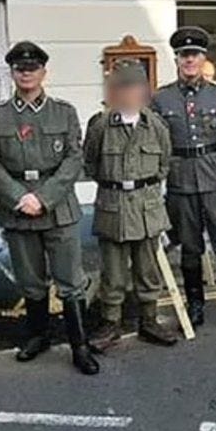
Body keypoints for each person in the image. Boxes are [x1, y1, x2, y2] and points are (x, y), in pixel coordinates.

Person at [0, 41, 99, 375]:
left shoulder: (63, 111)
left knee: (70, 280)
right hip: (16, 206)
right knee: (30, 279)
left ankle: (79, 346)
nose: (26, 73)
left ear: (43, 73)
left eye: (32, 68)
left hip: (57, 207)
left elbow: (74, 158)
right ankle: (38, 336)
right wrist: (19, 197)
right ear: (13, 73)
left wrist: (43, 198)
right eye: (20, 69)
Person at [152, 27, 216, 340]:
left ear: (203, 58)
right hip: (180, 183)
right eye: (183, 55)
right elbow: (156, 146)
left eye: (194, 55)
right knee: (190, 248)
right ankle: (196, 305)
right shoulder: (161, 98)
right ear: (177, 59)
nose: (189, 60)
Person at [85, 59, 178, 350]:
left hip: (147, 207)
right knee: (112, 272)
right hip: (113, 206)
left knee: (147, 270)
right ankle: (110, 324)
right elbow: (90, 164)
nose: (129, 93)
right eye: (122, 86)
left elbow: (164, 164)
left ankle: (149, 321)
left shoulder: (156, 126)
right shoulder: (100, 125)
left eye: (135, 86)